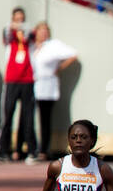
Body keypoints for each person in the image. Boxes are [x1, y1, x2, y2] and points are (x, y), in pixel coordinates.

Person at [29, 23, 78, 160]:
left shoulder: (53, 45)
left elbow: (73, 54)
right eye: (41, 31)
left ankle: (44, 149)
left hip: (47, 85)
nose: (43, 33)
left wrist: (60, 68)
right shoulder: (32, 46)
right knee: (29, 117)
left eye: (46, 31)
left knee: (45, 118)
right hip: (32, 84)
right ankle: (31, 147)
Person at [0, 8, 36, 161]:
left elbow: (32, 34)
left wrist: (23, 28)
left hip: (27, 79)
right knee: (8, 115)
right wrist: (13, 27)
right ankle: (3, 150)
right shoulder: (10, 34)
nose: (19, 22)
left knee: (28, 117)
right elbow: (6, 32)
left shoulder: (28, 35)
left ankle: (30, 151)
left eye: (22, 18)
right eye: (17, 18)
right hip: (12, 79)